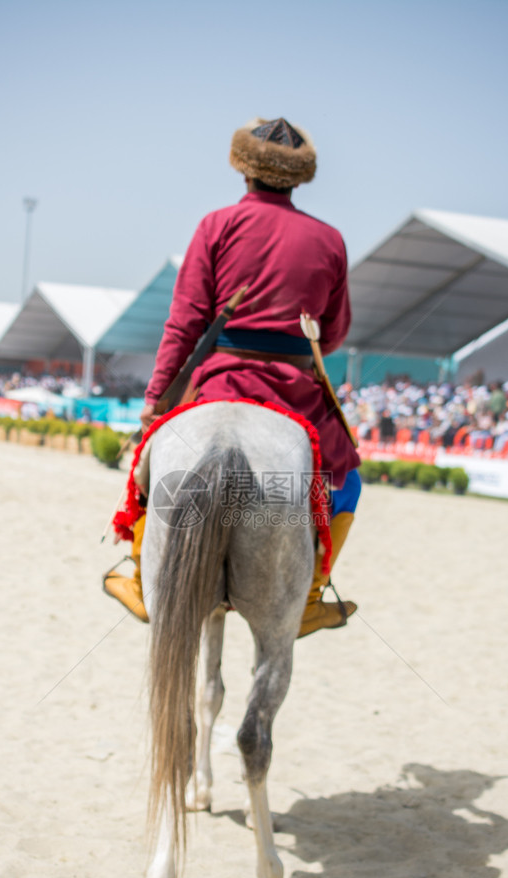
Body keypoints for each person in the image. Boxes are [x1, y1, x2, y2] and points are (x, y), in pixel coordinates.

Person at [104, 116, 361, 637]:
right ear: (298, 178)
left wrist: (157, 397)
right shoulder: (329, 239)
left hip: (221, 378)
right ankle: (311, 593)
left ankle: (137, 571)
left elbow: (184, 322)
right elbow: (332, 335)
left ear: (244, 171)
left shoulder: (216, 225)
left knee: (152, 462)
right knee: (347, 479)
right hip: (295, 391)